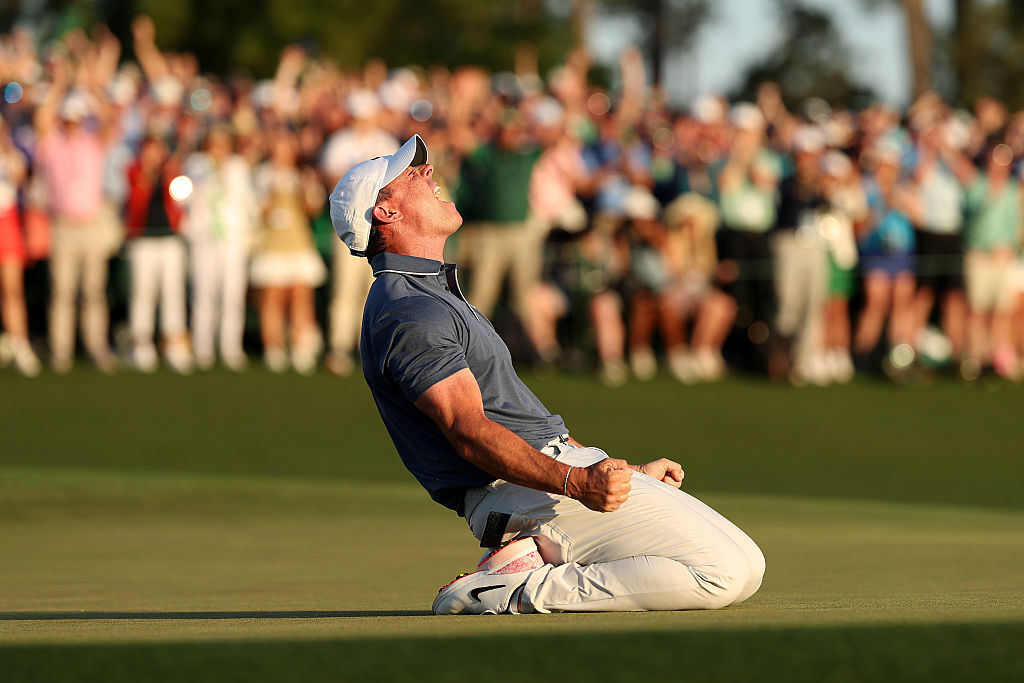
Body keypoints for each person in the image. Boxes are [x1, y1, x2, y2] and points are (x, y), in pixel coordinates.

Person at [330, 135, 764, 615]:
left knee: (748, 565)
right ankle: (507, 592)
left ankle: (533, 561)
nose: (430, 173)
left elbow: (518, 418)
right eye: (412, 175)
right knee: (720, 573)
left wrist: (621, 471)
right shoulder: (409, 309)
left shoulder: (429, 292)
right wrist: (577, 484)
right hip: (519, 491)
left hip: (549, 475)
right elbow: (469, 434)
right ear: (385, 213)